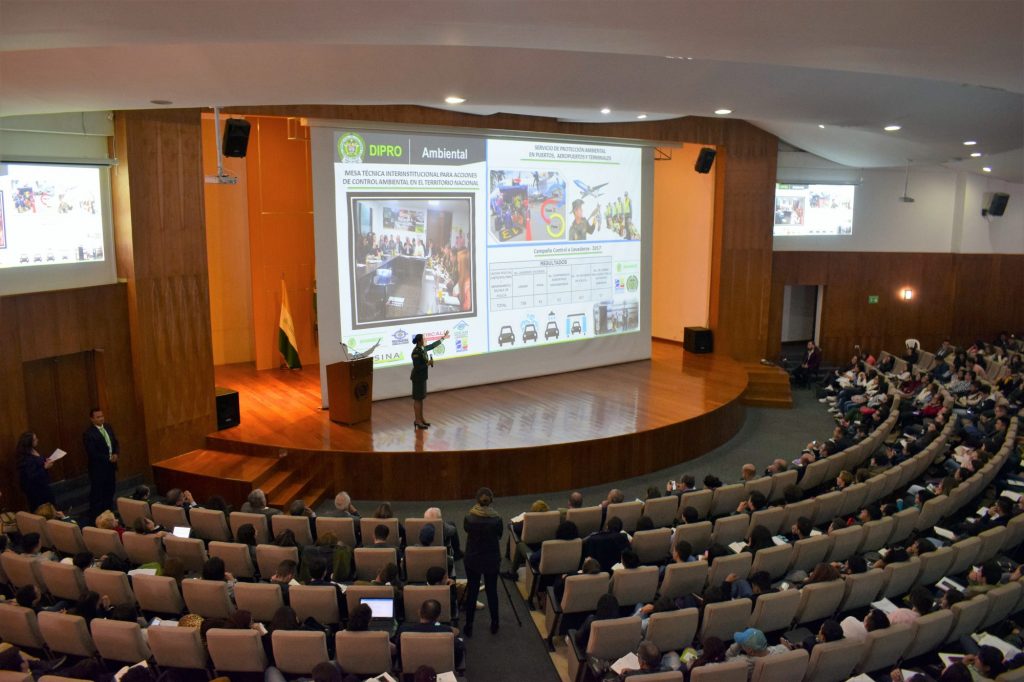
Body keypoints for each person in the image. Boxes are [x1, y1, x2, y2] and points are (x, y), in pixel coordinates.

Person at [462, 486, 502, 637]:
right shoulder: (497, 519)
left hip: (473, 559)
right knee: (492, 591)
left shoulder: (469, 518)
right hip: (491, 559)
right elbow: (499, 536)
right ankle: (495, 623)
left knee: (472, 592)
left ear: (477, 500)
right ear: (491, 501)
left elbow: (467, 530)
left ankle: (469, 625)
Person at [83, 408, 119, 520]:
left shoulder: (108, 427)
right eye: (98, 417)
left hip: (110, 467)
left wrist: (116, 453)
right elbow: (92, 452)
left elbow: (115, 442)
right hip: (98, 469)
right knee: (98, 492)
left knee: (110, 489)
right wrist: (108, 458)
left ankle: (109, 512)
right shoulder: (89, 433)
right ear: (92, 419)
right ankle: (97, 516)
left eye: (102, 416)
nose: (101, 419)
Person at [410, 330, 450, 429]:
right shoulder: (416, 352)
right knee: (417, 399)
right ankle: (417, 421)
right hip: (417, 378)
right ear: (419, 341)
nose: (426, 340)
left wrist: (443, 338)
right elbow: (417, 367)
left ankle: (421, 419)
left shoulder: (422, 348)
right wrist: (428, 363)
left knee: (421, 399)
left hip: (422, 377)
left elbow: (432, 346)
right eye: (424, 339)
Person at [15, 431, 56, 511]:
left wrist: (46, 460)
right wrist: (45, 467)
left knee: (51, 507)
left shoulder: (33, 450)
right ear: (29, 442)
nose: (37, 440)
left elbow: (38, 462)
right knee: (43, 511)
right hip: (35, 490)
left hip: (43, 485)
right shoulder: (25, 458)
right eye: (35, 439)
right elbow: (31, 476)